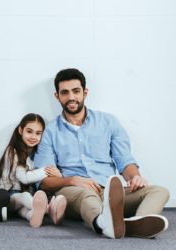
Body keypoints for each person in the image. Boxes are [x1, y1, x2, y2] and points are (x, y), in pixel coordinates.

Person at [34, 68, 170, 239]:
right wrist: (73, 180)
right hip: (73, 193)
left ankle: (137, 223)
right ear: (57, 96)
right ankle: (102, 223)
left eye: (76, 91)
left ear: (85, 92)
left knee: (159, 191)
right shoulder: (50, 131)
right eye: (65, 92)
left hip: (109, 193)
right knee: (86, 194)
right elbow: (44, 182)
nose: (71, 97)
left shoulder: (108, 122)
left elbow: (125, 161)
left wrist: (135, 177)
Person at [0, 113, 67, 228]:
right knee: (24, 196)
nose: (33, 136)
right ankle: (49, 209)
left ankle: (33, 217)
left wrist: (58, 173)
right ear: (20, 130)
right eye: (29, 131)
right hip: (8, 197)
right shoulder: (12, 151)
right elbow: (24, 178)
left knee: (26, 211)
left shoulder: (36, 154)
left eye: (38, 133)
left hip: (24, 201)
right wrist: (47, 170)